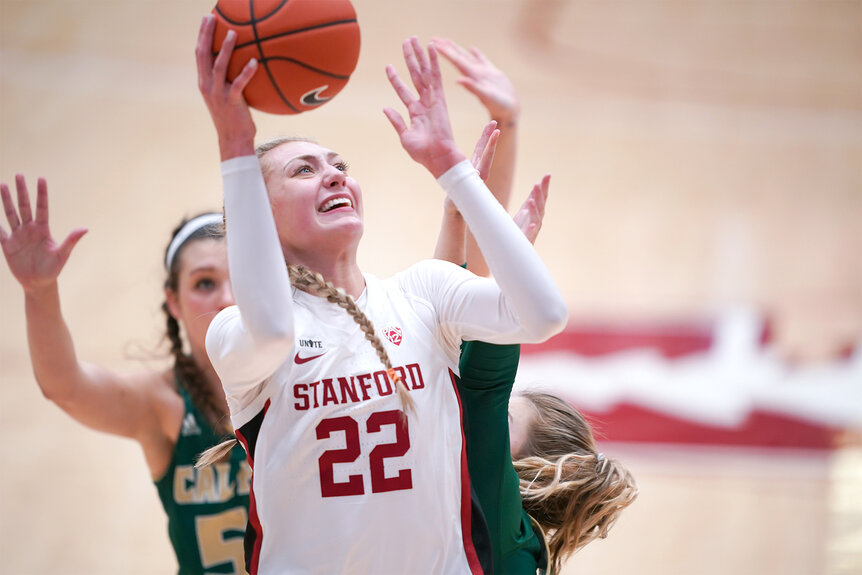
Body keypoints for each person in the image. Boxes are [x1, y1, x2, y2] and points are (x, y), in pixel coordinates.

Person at [195, 11, 568, 574]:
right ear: (260, 217)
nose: (334, 175)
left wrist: (451, 168)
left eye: (339, 165)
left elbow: (542, 315)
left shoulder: (423, 293)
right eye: (304, 170)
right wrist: (235, 144)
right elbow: (273, 328)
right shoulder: (234, 332)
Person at [431, 40, 638, 574]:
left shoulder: (502, 542)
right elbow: (443, 324)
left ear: (527, 476)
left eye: (505, 414)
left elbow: (481, 373)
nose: (489, 404)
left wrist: (507, 268)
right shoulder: (491, 525)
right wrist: (459, 216)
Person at [0, 175, 250, 575]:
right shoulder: (164, 403)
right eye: (205, 283)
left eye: (242, 278)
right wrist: (39, 291)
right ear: (173, 302)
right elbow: (64, 386)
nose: (227, 300)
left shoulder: (302, 379)